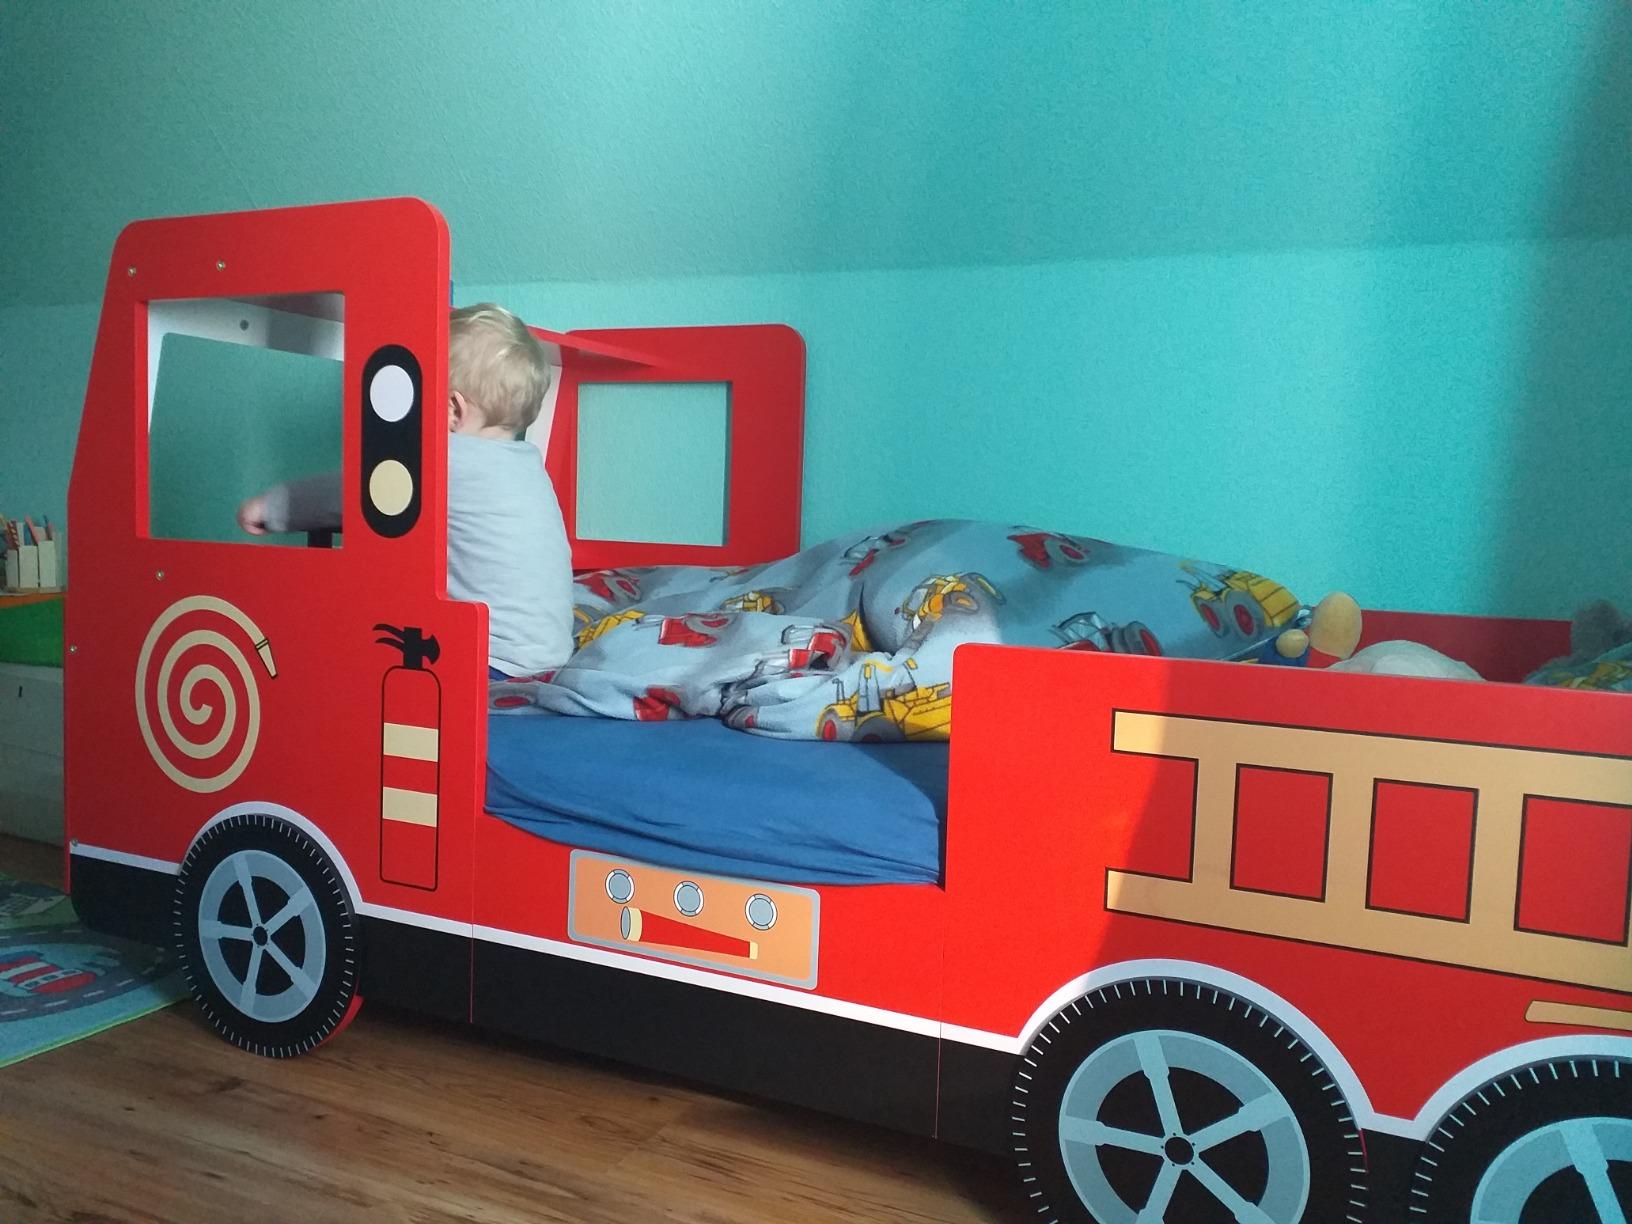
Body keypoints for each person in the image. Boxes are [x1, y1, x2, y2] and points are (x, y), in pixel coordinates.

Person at [237, 303, 574, 676]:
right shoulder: (527, 463)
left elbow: (352, 493)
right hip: (550, 652)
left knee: (348, 650)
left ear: (453, 410)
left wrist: (271, 508)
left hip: (491, 661)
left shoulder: (445, 459)